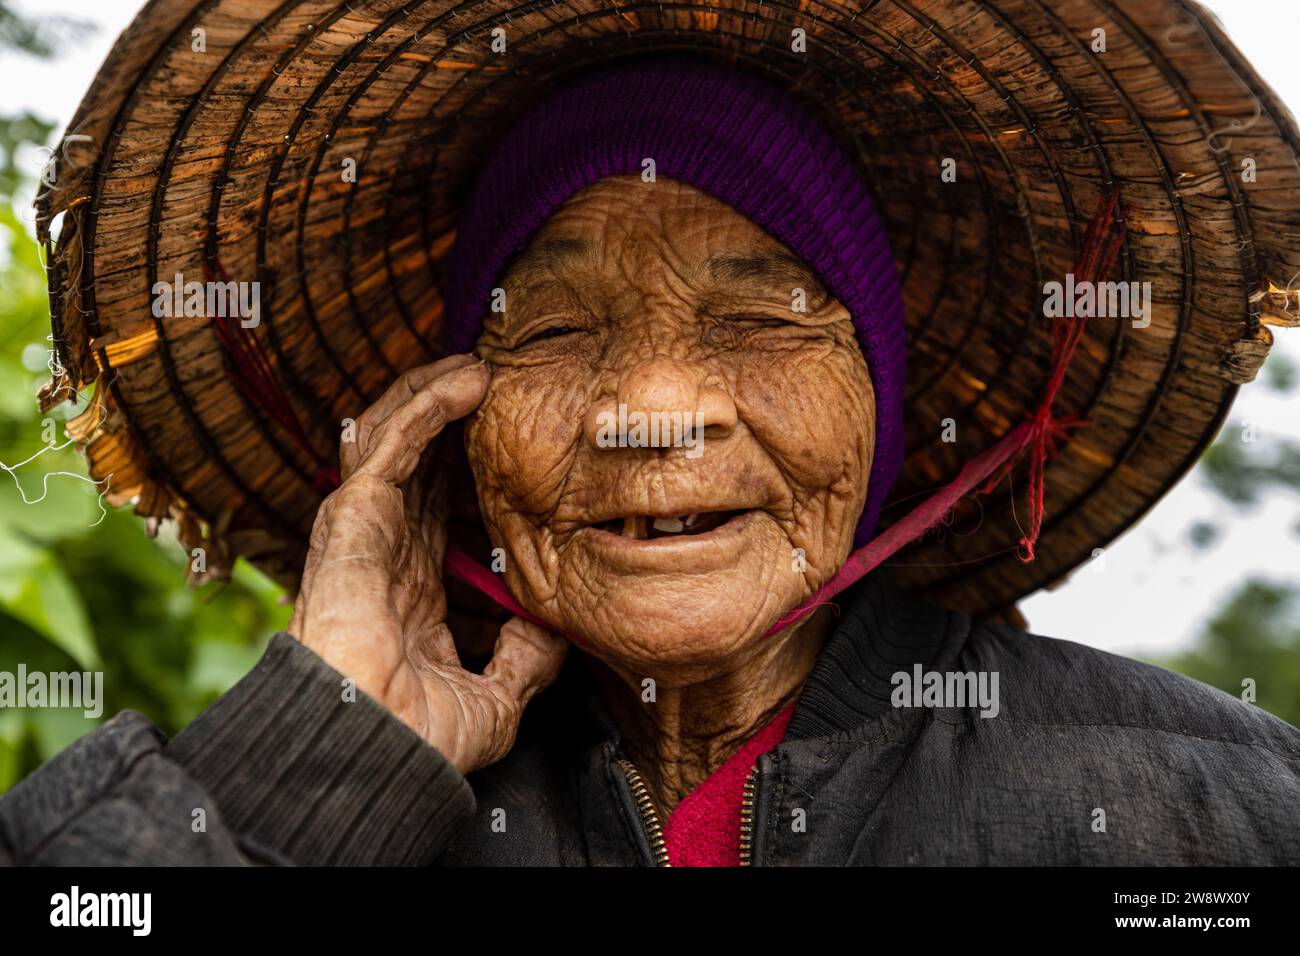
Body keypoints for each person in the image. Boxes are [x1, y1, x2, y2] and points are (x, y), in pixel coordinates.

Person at [7, 7, 1300, 866]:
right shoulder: (370, 812)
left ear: (884, 399)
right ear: (454, 424)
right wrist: (313, 766)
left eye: (760, 317)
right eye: (557, 331)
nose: (650, 408)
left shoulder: (1205, 809)